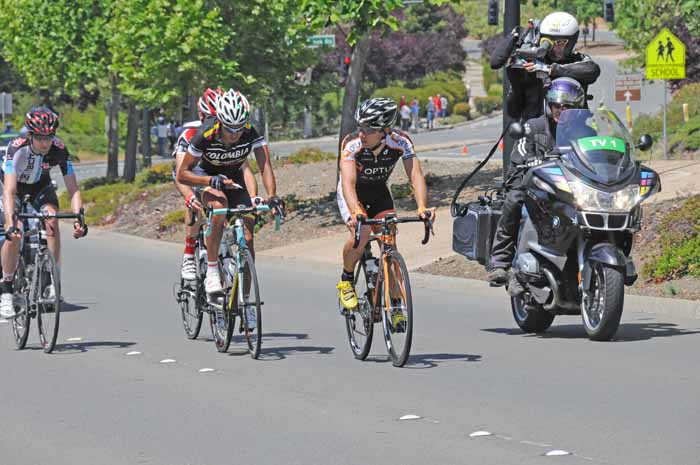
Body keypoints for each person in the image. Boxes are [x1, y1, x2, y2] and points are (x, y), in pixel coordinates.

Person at [336, 97, 435, 321]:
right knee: (360, 236)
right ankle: (346, 279)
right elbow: (348, 184)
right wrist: (355, 212)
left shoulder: (401, 142)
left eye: (368, 128)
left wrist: (422, 206)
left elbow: (415, 175)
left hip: (379, 193)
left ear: (385, 130)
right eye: (360, 126)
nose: (362, 132)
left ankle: (396, 306)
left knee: (389, 243)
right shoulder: (351, 143)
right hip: (352, 194)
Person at [176, 89, 284, 297]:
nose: (235, 134)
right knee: (219, 206)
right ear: (220, 122)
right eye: (229, 128)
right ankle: (213, 269)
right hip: (205, 176)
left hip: (233, 178)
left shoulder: (251, 131)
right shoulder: (205, 135)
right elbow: (182, 174)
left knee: (249, 238)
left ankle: (244, 302)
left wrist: (272, 196)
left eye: (239, 128)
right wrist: (209, 181)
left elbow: (265, 166)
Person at [488, 78, 586, 287]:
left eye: (567, 106)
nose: (561, 110)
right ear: (549, 105)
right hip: (534, 184)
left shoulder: (584, 130)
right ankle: (501, 262)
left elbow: (596, 151)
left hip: (569, 187)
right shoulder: (533, 127)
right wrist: (530, 161)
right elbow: (521, 150)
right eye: (557, 105)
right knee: (514, 200)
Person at [0, 107, 87, 318]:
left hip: (41, 187)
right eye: (40, 138)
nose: (45, 143)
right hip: (15, 189)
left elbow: (73, 188)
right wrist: (10, 222)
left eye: (49, 137)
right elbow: (9, 192)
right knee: (15, 232)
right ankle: (7, 290)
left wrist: (79, 219)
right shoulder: (16, 148)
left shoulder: (59, 149)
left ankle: (51, 281)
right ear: (30, 135)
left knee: (52, 221)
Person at [490, 11, 600, 122]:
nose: (555, 48)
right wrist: (515, 36)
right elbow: (495, 63)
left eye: (561, 43)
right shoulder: (531, 63)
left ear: (572, 41)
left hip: (572, 129)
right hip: (535, 130)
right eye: (550, 42)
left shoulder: (577, 59)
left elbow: (592, 70)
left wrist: (550, 69)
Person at [172, 87, 222, 281]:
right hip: (188, 176)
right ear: (202, 116)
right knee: (193, 202)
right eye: (210, 118)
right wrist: (189, 196)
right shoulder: (190, 134)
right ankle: (189, 252)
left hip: (215, 177)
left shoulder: (226, 136)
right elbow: (181, 173)